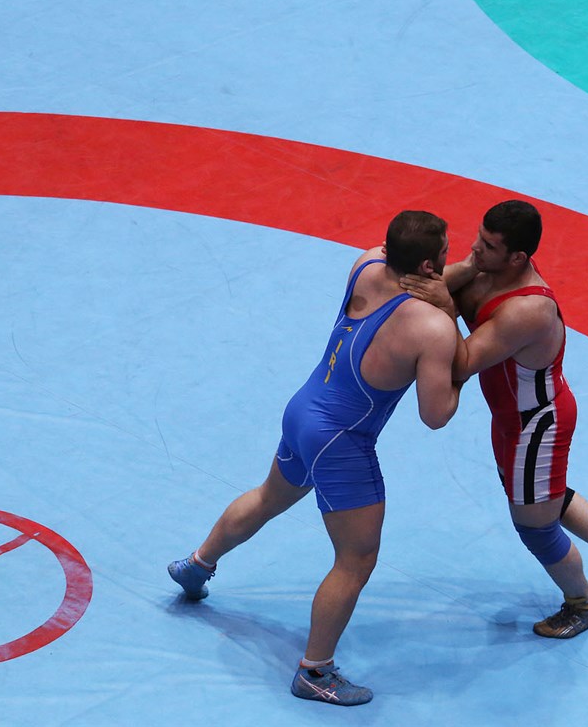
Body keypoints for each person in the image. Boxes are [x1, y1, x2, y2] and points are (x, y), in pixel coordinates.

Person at [168, 211, 463, 707]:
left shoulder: (365, 264)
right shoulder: (433, 328)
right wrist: (459, 349)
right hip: (342, 442)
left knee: (268, 497)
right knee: (356, 559)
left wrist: (454, 277)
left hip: (304, 411)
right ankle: (315, 671)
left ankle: (197, 565)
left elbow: (413, 273)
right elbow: (436, 415)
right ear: (430, 266)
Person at [400, 199, 588, 639]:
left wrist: (444, 305)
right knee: (540, 497)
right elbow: (443, 284)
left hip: (537, 423)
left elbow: (462, 361)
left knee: (534, 525)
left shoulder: (528, 309)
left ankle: (584, 602)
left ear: (517, 257)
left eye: (488, 246)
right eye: (479, 238)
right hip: (512, 418)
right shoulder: (488, 268)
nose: (475, 250)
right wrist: (440, 289)